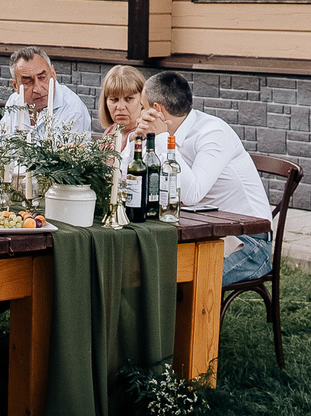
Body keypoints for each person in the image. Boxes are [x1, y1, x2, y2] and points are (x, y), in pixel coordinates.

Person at [136, 71, 273, 286]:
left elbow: (192, 194)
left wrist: (162, 137)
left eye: (142, 108)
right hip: (200, 234)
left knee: (179, 283)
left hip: (248, 242)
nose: (139, 116)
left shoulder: (213, 133)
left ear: (156, 110)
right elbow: (131, 174)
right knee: (143, 271)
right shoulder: (165, 136)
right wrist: (138, 138)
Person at [0, 46, 91, 141]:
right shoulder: (14, 101)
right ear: (15, 86)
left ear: (53, 74)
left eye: (42, 77)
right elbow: (0, 143)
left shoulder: (73, 110)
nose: (38, 88)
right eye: (28, 82)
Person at [96, 64, 146, 154]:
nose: (120, 107)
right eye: (114, 99)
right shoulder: (111, 131)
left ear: (143, 100)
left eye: (129, 99)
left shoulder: (146, 137)